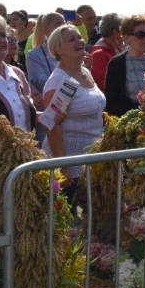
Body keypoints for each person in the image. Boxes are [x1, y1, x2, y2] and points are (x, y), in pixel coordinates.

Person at [39, 24, 105, 200]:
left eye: (79, 37)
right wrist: (63, 166)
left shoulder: (84, 72)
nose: (79, 41)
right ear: (58, 49)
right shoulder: (59, 81)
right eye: (72, 39)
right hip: (71, 165)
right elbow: (51, 125)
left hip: (90, 161)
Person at [104, 14, 145, 116]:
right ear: (126, 38)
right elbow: (111, 103)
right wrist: (141, 107)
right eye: (140, 34)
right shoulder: (117, 64)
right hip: (131, 123)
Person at [26, 12, 66, 106]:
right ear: (45, 29)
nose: (63, 27)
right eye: (59, 24)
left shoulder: (72, 50)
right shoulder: (34, 55)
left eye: (64, 23)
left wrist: (87, 67)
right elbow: (41, 81)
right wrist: (69, 85)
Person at [90, 13, 123, 91]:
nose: (126, 35)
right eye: (124, 30)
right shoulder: (99, 54)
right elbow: (103, 85)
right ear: (115, 32)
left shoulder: (117, 48)